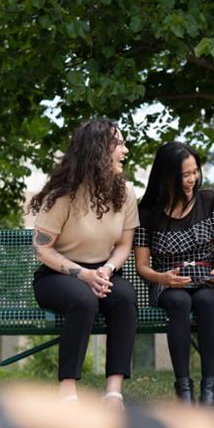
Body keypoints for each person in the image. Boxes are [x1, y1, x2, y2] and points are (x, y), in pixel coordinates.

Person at [28, 119, 139, 410]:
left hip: (103, 271)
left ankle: (114, 392)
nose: (125, 150)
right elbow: (42, 250)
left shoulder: (125, 193)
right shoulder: (62, 195)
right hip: (58, 274)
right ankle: (67, 390)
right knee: (83, 300)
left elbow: (124, 245)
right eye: (119, 144)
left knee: (125, 297)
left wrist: (107, 269)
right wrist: (83, 274)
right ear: (97, 150)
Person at [134, 142, 214, 406]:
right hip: (167, 281)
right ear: (167, 177)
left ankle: (209, 391)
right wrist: (164, 279)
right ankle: (184, 390)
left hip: (206, 276)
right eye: (185, 175)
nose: (192, 179)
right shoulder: (147, 213)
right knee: (179, 302)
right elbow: (142, 267)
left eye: (195, 172)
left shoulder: (208, 200)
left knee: (207, 301)